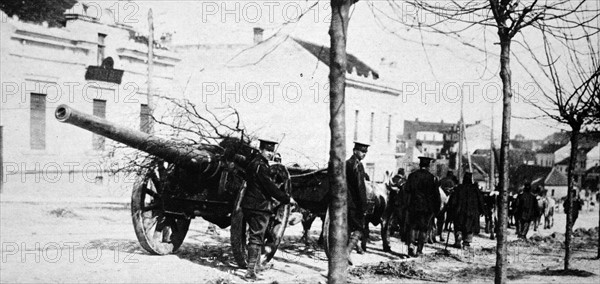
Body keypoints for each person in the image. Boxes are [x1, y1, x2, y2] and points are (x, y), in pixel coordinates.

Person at [242, 138, 297, 280]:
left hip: (248, 204)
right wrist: (286, 198)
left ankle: (255, 266)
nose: (269, 154)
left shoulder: (252, 163)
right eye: (267, 150)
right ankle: (250, 271)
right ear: (261, 149)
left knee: (254, 236)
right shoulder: (261, 166)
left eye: (271, 151)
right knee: (256, 237)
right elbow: (269, 186)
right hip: (259, 206)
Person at [404, 156, 441, 257]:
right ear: (428, 165)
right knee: (423, 228)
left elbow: (406, 191)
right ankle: (419, 250)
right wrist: (437, 209)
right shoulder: (432, 178)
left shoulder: (412, 176)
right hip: (427, 208)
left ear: (420, 165)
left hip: (413, 206)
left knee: (412, 226)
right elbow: (436, 195)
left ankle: (411, 246)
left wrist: (406, 205)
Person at [345, 141, 370, 264]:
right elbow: (360, 187)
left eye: (365, 152)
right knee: (360, 227)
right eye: (362, 151)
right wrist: (363, 205)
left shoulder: (346, 163)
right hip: (354, 203)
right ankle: (347, 252)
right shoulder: (357, 165)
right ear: (355, 151)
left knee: (348, 228)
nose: (364, 154)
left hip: (345, 201)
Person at [448, 172, 484, 249]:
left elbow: (453, 201)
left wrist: (451, 209)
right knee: (469, 227)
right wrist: (482, 210)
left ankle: (459, 235)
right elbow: (480, 200)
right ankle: (466, 243)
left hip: (459, 211)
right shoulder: (475, 189)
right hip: (471, 212)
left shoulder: (458, 188)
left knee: (458, 225)